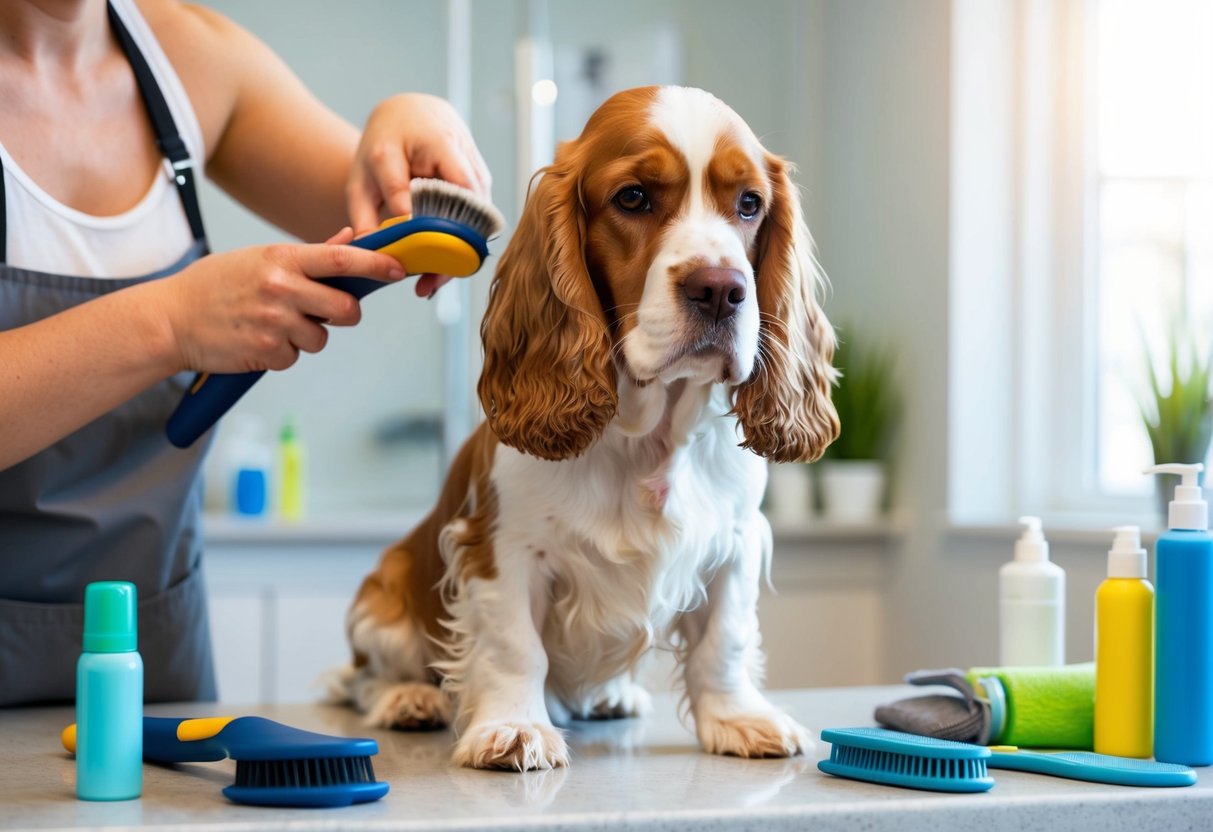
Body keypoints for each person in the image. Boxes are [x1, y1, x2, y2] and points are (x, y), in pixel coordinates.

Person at [0, 0, 492, 705]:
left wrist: (413, 120)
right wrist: (168, 321)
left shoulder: (187, 57)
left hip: (152, 655)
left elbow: (401, 226)